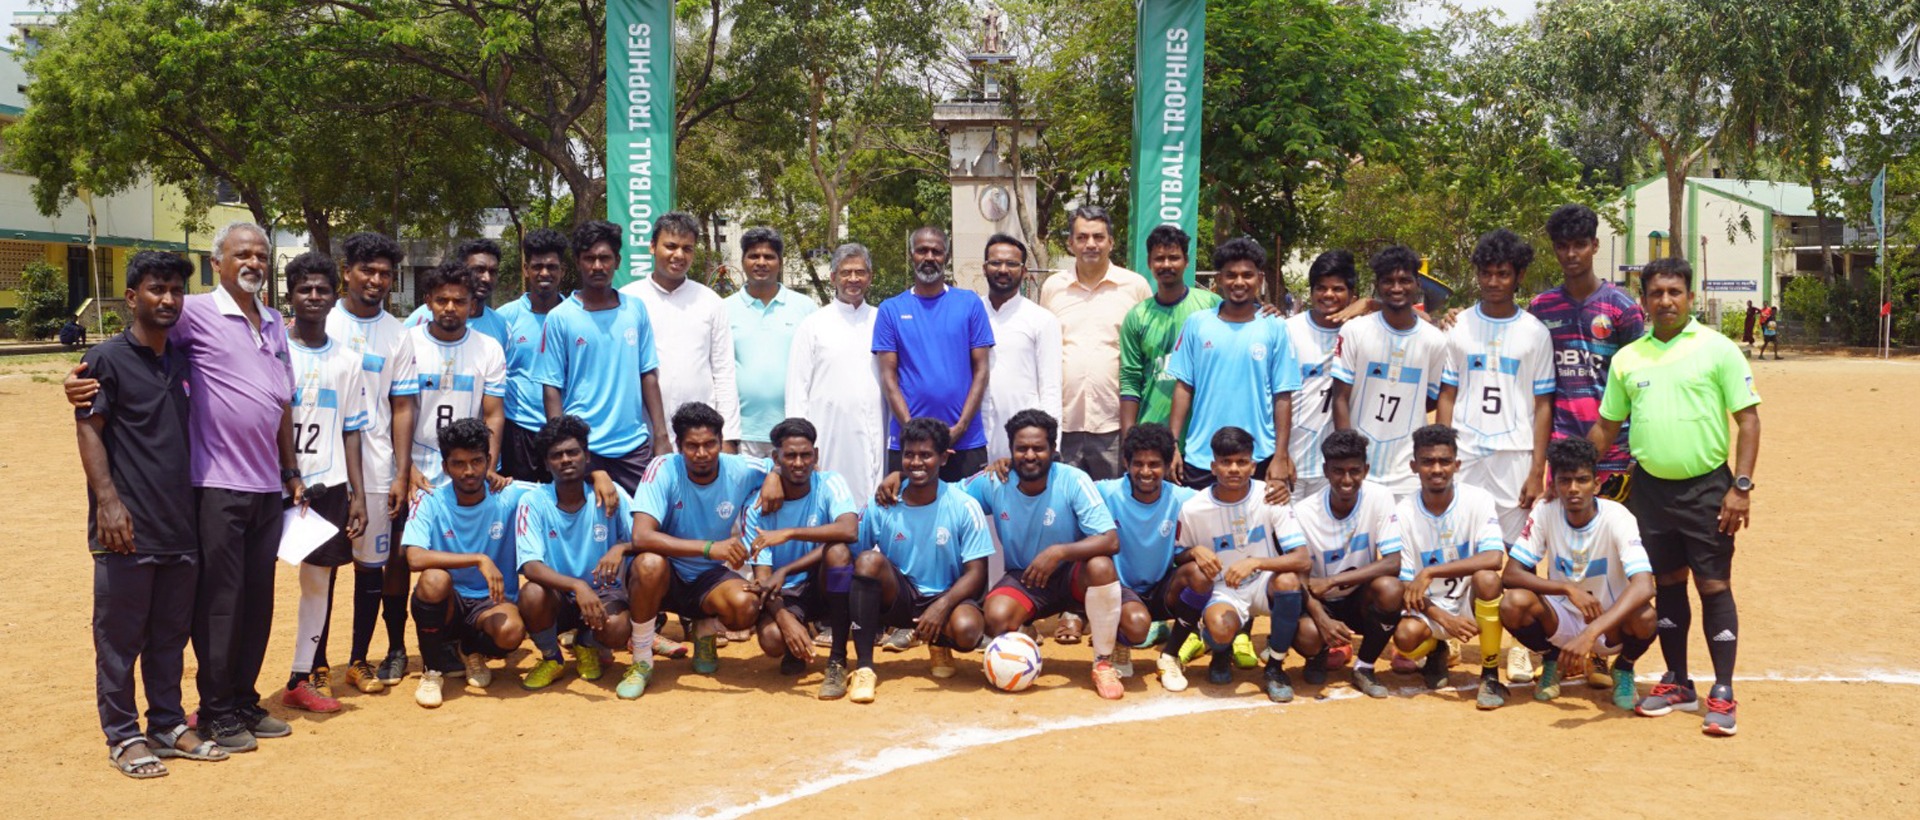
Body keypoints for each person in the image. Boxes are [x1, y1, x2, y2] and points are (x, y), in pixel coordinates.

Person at [73, 222, 304, 751]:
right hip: (215, 483)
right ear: (217, 263)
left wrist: (290, 471)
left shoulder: (273, 323)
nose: (253, 262)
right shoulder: (193, 312)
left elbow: (281, 401)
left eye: (261, 254)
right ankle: (216, 711)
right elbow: (134, 349)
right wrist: (77, 382)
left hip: (266, 484)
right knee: (220, 603)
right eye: (242, 254)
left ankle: (243, 700)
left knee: (257, 601)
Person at [1588, 257, 1761, 737]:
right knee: (1666, 584)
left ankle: (1722, 690)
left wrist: (1741, 487)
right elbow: (1607, 425)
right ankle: (1677, 681)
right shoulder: (1629, 359)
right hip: (1649, 491)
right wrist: (1575, 469)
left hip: (1709, 489)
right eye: (1656, 293)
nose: (1666, 301)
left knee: (1713, 585)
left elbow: (1748, 420)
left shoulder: (1718, 349)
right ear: (1643, 301)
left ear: (1690, 297)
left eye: (1674, 292)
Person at [78, 251, 229, 777]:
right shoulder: (105, 359)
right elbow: (89, 429)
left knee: (169, 636)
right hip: (125, 528)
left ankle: (166, 723)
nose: (168, 299)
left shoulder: (183, 360)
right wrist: (108, 502)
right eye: (156, 289)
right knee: (119, 640)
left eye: (176, 290)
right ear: (131, 297)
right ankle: (123, 736)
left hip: (179, 525)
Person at [616, 402, 771, 697]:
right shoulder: (662, 468)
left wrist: (774, 477)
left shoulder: (739, 468)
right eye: (692, 446)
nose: (702, 453)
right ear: (679, 445)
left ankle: (705, 629)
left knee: (746, 606)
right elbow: (642, 536)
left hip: (708, 579)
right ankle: (642, 659)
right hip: (667, 574)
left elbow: (782, 466)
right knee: (649, 563)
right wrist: (710, 548)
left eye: (710, 444)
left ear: (721, 441)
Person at [969, 410, 1125, 700]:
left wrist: (1059, 552)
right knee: (996, 617)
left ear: (1053, 449)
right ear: (1010, 450)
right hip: (1026, 577)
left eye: (1038, 448)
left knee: (1102, 567)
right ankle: (1025, 631)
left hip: (1072, 576)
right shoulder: (995, 481)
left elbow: (1110, 539)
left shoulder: (1073, 479)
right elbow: (948, 497)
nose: (1030, 455)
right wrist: (900, 478)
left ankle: (1103, 662)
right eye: (1021, 448)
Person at [1500, 437, 1658, 713]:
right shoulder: (1545, 512)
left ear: (1596, 485)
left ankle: (1624, 668)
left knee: (1645, 616)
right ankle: (1552, 659)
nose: (1573, 488)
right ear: (1554, 486)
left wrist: (1591, 634)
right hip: (1561, 618)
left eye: (1582, 480)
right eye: (1565, 481)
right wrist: (1566, 589)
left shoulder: (1618, 517)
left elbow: (1645, 586)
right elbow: (1511, 574)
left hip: (1609, 623)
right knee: (1513, 603)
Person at [844, 418, 993, 703]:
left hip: (946, 597)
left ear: (944, 458)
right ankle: (864, 668)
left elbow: (977, 573)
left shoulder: (964, 505)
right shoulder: (883, 502)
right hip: (899, 597)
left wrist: (942, 606)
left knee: (968, 630)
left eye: (925, 455)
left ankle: (939, 643)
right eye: (909, 454)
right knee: (867, 562)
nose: (916, 462)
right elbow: (852, 554)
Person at [279, 253, 370, 714]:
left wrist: (356, 494)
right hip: (271, 486)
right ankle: (231, 687)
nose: (313, 297)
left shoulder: (348, 360)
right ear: (290, 295)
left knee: (317, 583)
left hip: (327, 487)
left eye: (322, 289)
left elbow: (352, 431)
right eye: (304, 289)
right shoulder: (274, 351)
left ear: (335, 296)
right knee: (247, 585)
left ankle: (301, 676)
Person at [329, 231, 413, 691]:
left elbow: (401, 407)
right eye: (367, 270)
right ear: (347, 272)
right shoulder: (323, 321)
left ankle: (358, 660)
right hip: (325, 467)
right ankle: (313, 664)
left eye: (385, 273)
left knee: (369, 567)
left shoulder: (398, 335)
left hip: (377, 469)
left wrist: (401, 472)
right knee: (321, 568)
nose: (376, 280)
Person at [401, 419, 534, 708]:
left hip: (491, 602)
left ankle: (470, 650)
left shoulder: (508, 495)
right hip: (450, 601)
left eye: (476, 461)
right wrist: (478, 559)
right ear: (445, 466)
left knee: (512, 631)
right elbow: (414, 557)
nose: (469, 471)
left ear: (489, 460)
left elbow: (559, 489)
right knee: (434, 579)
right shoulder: (430, 499)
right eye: (458, 463)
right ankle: (432, 670)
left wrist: (597, 475)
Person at [1175, 427, 1311, 702]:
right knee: (1220, 628)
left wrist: (1257, 562)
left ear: (1253, 466)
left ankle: (1275, 667)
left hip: (1264, 583)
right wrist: (1194, 551)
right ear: (1213, 467)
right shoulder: (1193, 508)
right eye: (1226, 462)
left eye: (1241, 461)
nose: (1234, 469)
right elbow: (1178, 555)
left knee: (1288, 581)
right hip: (1223, 589)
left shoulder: (1270, 496)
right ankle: (1221, 653)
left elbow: (1302, 558)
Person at [1436, 229, 1555, 545]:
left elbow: (1543, 404)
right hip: (1465, 452)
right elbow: (1447, 395)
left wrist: (1537, 471)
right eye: (1486, 273)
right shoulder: (1458, 326)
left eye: (1502, 274)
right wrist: (1444, 451)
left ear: (1519, 276)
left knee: (1518, 551)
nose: (1493, 282)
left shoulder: (1535, 332)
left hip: (1514, 455)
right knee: (1460, 544)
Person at [536, 219, 670, 492]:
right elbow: (551, 389)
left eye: (605, 258)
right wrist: (563, 446)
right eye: (589, 258)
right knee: (587, 518)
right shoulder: (560, 318)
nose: (597, 266)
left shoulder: (635, 309)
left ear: (617, 261)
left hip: (633, 447)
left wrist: (660, 435)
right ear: (578, 262)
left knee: (645, 516)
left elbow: (648, 375)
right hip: (584, 449)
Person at [1165, 237, 1300, 498]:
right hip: (1203, 456)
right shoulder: (1197, 324)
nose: (1239, 282)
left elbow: (1283, 395)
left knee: (1257, 524)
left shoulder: (1275, 327)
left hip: (1257, 457)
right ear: (1218, 279)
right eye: (1231, 275)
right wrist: (1172, 445)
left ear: (1260, 278)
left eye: (1247, 275)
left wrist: (1281, 455)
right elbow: (1183, 387)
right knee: (1198, 524)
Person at [1386, 425, 1507, 705]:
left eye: (1445, 461)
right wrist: (1444, 619)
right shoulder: (1402, 514)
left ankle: (1490, 675)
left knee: (1488, 579)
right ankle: (1437, 650)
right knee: (1405, 638)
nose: (1437, 469)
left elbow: (1494, 558)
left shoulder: (1478, 500)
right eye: (1428, 462)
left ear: (1457, 464)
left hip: (1468, 600)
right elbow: (1405, 584)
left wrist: (1431, 571)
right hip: (1429, 606)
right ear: (1414, 466)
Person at [514, 415, 636, 691]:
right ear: (546, 463)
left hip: (604, 592)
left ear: (587, 456)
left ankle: (586, 644)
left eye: (573, 452)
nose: (566, 460)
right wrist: (577, 586)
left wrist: (620, 547)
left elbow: (642, 537)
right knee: (531, 593)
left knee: (618, 628)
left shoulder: (610, 494)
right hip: (558, 595)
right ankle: (552, 658)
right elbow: (530, 565)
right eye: (556, 455)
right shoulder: (533, 501)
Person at [740, 418, 860, 695]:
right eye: (790, 455)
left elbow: (849, 529)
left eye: (805, 455)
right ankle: (796, 641)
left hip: (823, 583)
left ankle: (838, 660)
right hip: (785, 593)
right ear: (776, 458)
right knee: (773, 640)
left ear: (815, 455)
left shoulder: (830, 482)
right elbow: (763, 580)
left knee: (839, 552)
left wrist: (789, 534)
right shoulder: (755, 507)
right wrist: (785, 621)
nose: (798, 463)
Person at [1039, 206, 1153, 480]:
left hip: (1114, 425)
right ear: (1070, 243)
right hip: (1064, 425)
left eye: (1098, 237)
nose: (1090, 244)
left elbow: (1147, 354)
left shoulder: (1135, 287)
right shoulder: (1053, 288)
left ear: (1111, 242)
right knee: (1065, 502)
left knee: (1113, 501)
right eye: (1082, 237)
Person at [1291, 430, 1406, 699]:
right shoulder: (1304, 513)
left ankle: (1364, 666)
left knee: (1390, 589)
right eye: (1338, 471)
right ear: (1325, 471)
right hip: (1319, 601)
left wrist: (1332, 580)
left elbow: (1393, 562)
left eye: (1354, 471)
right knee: (1308, 635)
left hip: (1358, 598)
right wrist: (1322, 619)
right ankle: (1318, 654)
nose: (1346, 480)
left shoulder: (1380, 497)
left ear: (1366, 469)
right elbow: (1298, 579)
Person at [873, 226, 994, 481]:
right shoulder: (890, 309)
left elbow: (981, 370)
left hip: (965, 441)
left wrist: (960, 427)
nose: (929, 257)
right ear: (911, 255)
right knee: (905, 507)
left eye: (936, 251)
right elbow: (888, 378)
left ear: (946, 257)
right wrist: (913, 433)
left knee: (969, 506)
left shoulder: (970, 303)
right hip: (909, 446)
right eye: (922, 250)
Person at [1331, 245, 1447, 501]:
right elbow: (1340, 397)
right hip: (1361, 470)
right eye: (1388, 281)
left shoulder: (1434, 340)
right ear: (1377, 285)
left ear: (1417, 284)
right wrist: (1349, 456)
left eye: (1404, 280)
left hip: (1408, 472)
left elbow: (1431, 398)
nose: (1396, 288)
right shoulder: (1355, 331)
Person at [622, 212, 740, 451]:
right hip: (638, 436)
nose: (679, 255)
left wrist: (728, 438)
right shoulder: (628, 300)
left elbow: (724, 372)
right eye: (671, 246)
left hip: (700, 441)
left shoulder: (710, 302)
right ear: (652, 247)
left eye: (687, 249)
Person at [390, 259, 507, 499]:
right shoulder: (406, 342)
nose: (450, 308)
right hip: (415, 468)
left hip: (466, 471)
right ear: (428, 302)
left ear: (472, 305)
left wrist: (488, 466)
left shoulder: (489, 348)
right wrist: (407, 468)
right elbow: (397, 410)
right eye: (442, 300)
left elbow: (493, 415)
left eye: (459, 301)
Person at [1093, 423, 1196, 686]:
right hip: (1121, 591)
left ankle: (1170, 655)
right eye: (1138, 464)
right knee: (1138, 626)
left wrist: (1268, 492)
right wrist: (1007, 465)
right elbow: (1064, 485)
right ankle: (1120, 640)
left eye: (1154, 464)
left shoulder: (1183, 498)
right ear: (1126, 463)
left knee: (1198, 573)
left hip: (1161, 587)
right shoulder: (1106, 492)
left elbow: (1225, 498)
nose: (1146, 472)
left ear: (1168, 465)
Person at [787, 243, 887, 506]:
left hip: (877, 429)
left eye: (860, 272)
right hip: (829, 434)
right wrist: (799, 445)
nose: (853, 279)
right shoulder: (813, 325)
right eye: (845, 272)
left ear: (870, 277)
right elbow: (797, 391)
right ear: (833, 277)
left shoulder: (882, 320)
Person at [1117, 223, 1220, 436]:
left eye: (1173, 258)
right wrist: (1128, 440)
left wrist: (1267, 312)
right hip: (1153, 433)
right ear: (1149, 262)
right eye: (1159, 258)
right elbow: (1130, 381)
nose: (1166, 264)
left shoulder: (1211, 305)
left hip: (1202, 432)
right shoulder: (1137, 316)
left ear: (1186, 261)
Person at [725, 227, 819, 459]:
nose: (761, 262)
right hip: (743, 434)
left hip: (793, 434)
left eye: (769, 256)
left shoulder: (805, 308)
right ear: (743, 260)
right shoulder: (724, 309)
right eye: (754, 256)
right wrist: (726, 434)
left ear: (780, 262)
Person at [978, 233, 1062, 463]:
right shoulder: (971, 313)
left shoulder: (1041, 319)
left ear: (1024, 271)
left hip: (1026, 444)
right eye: (996, 263)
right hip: (976, 439)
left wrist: (1052, 445)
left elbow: (1051, 388)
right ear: (984, 268)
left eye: (1012, 264)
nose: (1003, 270)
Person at [496, 228, 571, 482]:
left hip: (563, 430)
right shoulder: (506, 317)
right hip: (518, 431)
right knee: (517, 501)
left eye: (552, 267)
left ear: (563, 271)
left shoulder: (575, 317)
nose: (544, 273)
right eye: (538, 266)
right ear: (526, 269)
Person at [1284, 250, 1358, 500]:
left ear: (1351, 294)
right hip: (1290, 463)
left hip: (1334, 469)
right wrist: (1280, 454)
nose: (1328, 295)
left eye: (1337, 289)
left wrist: (1372, 304)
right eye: (1321, 288)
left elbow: (1413, 318)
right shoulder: (1288, 330)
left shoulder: (1359, 332)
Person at [404, 238, 512, 348]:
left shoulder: (500, 325)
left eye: (493, 272)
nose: (486, 278)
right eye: (478, 270)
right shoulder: (423, 317)